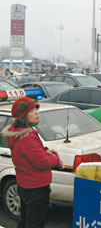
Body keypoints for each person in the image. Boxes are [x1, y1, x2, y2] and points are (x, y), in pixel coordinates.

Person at [1, 97, 64, 228]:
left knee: (25, 220)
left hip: (26, 185)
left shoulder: (18, 132)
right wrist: (56, 160)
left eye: (36, 109)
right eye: (32, 111)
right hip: (36, 188)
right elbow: (41, 162)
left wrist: (45, 150)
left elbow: (31, 153)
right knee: (35, 223)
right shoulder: (26, 137)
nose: (37, 113)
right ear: (23, 116)